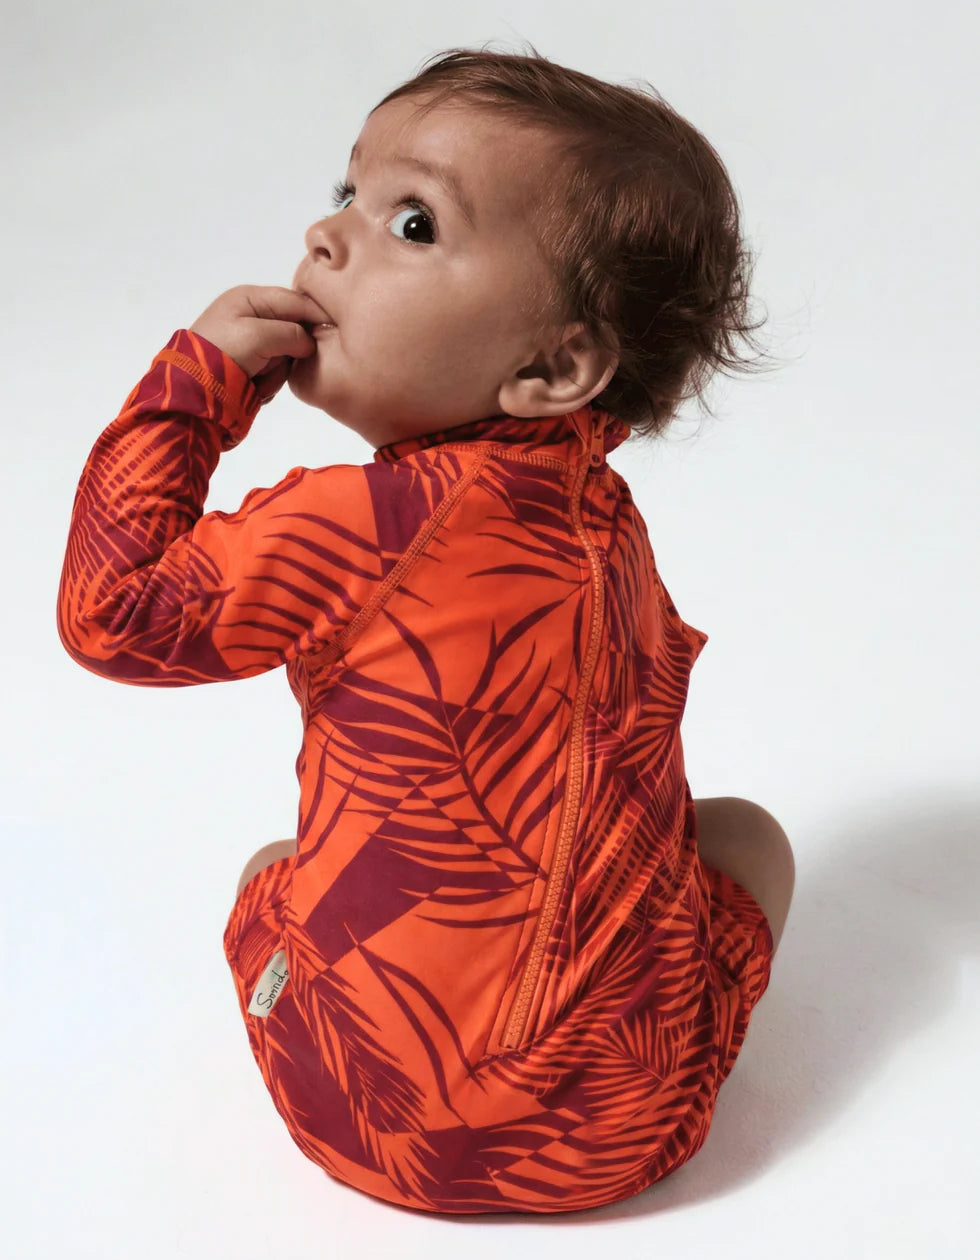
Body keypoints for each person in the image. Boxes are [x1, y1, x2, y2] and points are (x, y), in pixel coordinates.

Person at [56, 45, 795, 1215]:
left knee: (268, 873)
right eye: (345, 190)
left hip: (361, 1122)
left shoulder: (355, 526)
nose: (324, 234)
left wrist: (190, 388)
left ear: (554, 365)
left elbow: (109, 616)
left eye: (411, 224)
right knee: (745, 836)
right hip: (618, 1131)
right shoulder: (599, 512)